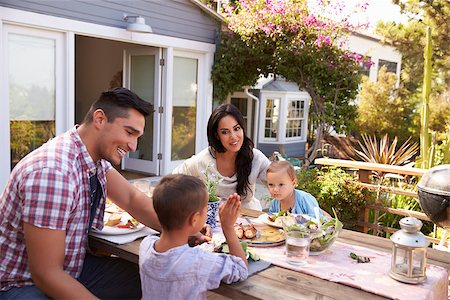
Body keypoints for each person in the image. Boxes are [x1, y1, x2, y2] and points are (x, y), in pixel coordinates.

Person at [0, 87, 209, 299]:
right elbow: (47, 274)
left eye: (137, 136)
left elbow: (132, 199)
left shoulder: (91, 158)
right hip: (22, 284)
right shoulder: (54, 172)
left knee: (151, 277)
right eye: (129, 132)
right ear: (100, 119)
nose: (133, 145)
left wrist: (184, 227)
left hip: (71, 268)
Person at [139, 174, 248, 299]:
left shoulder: (146, 245)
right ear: (195, 219)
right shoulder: (198, 261)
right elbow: (241, 269)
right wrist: (228, 228)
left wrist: (191, 232)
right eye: (206, 209)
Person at [173, 103, 270, 210]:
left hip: (251, 220)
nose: (233, 137)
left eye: (236, 129)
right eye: (225, 132)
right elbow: (174, 181)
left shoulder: (255, 157)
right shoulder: (203, 160)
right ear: (216, 135)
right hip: (216, 222)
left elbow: (282, 180)